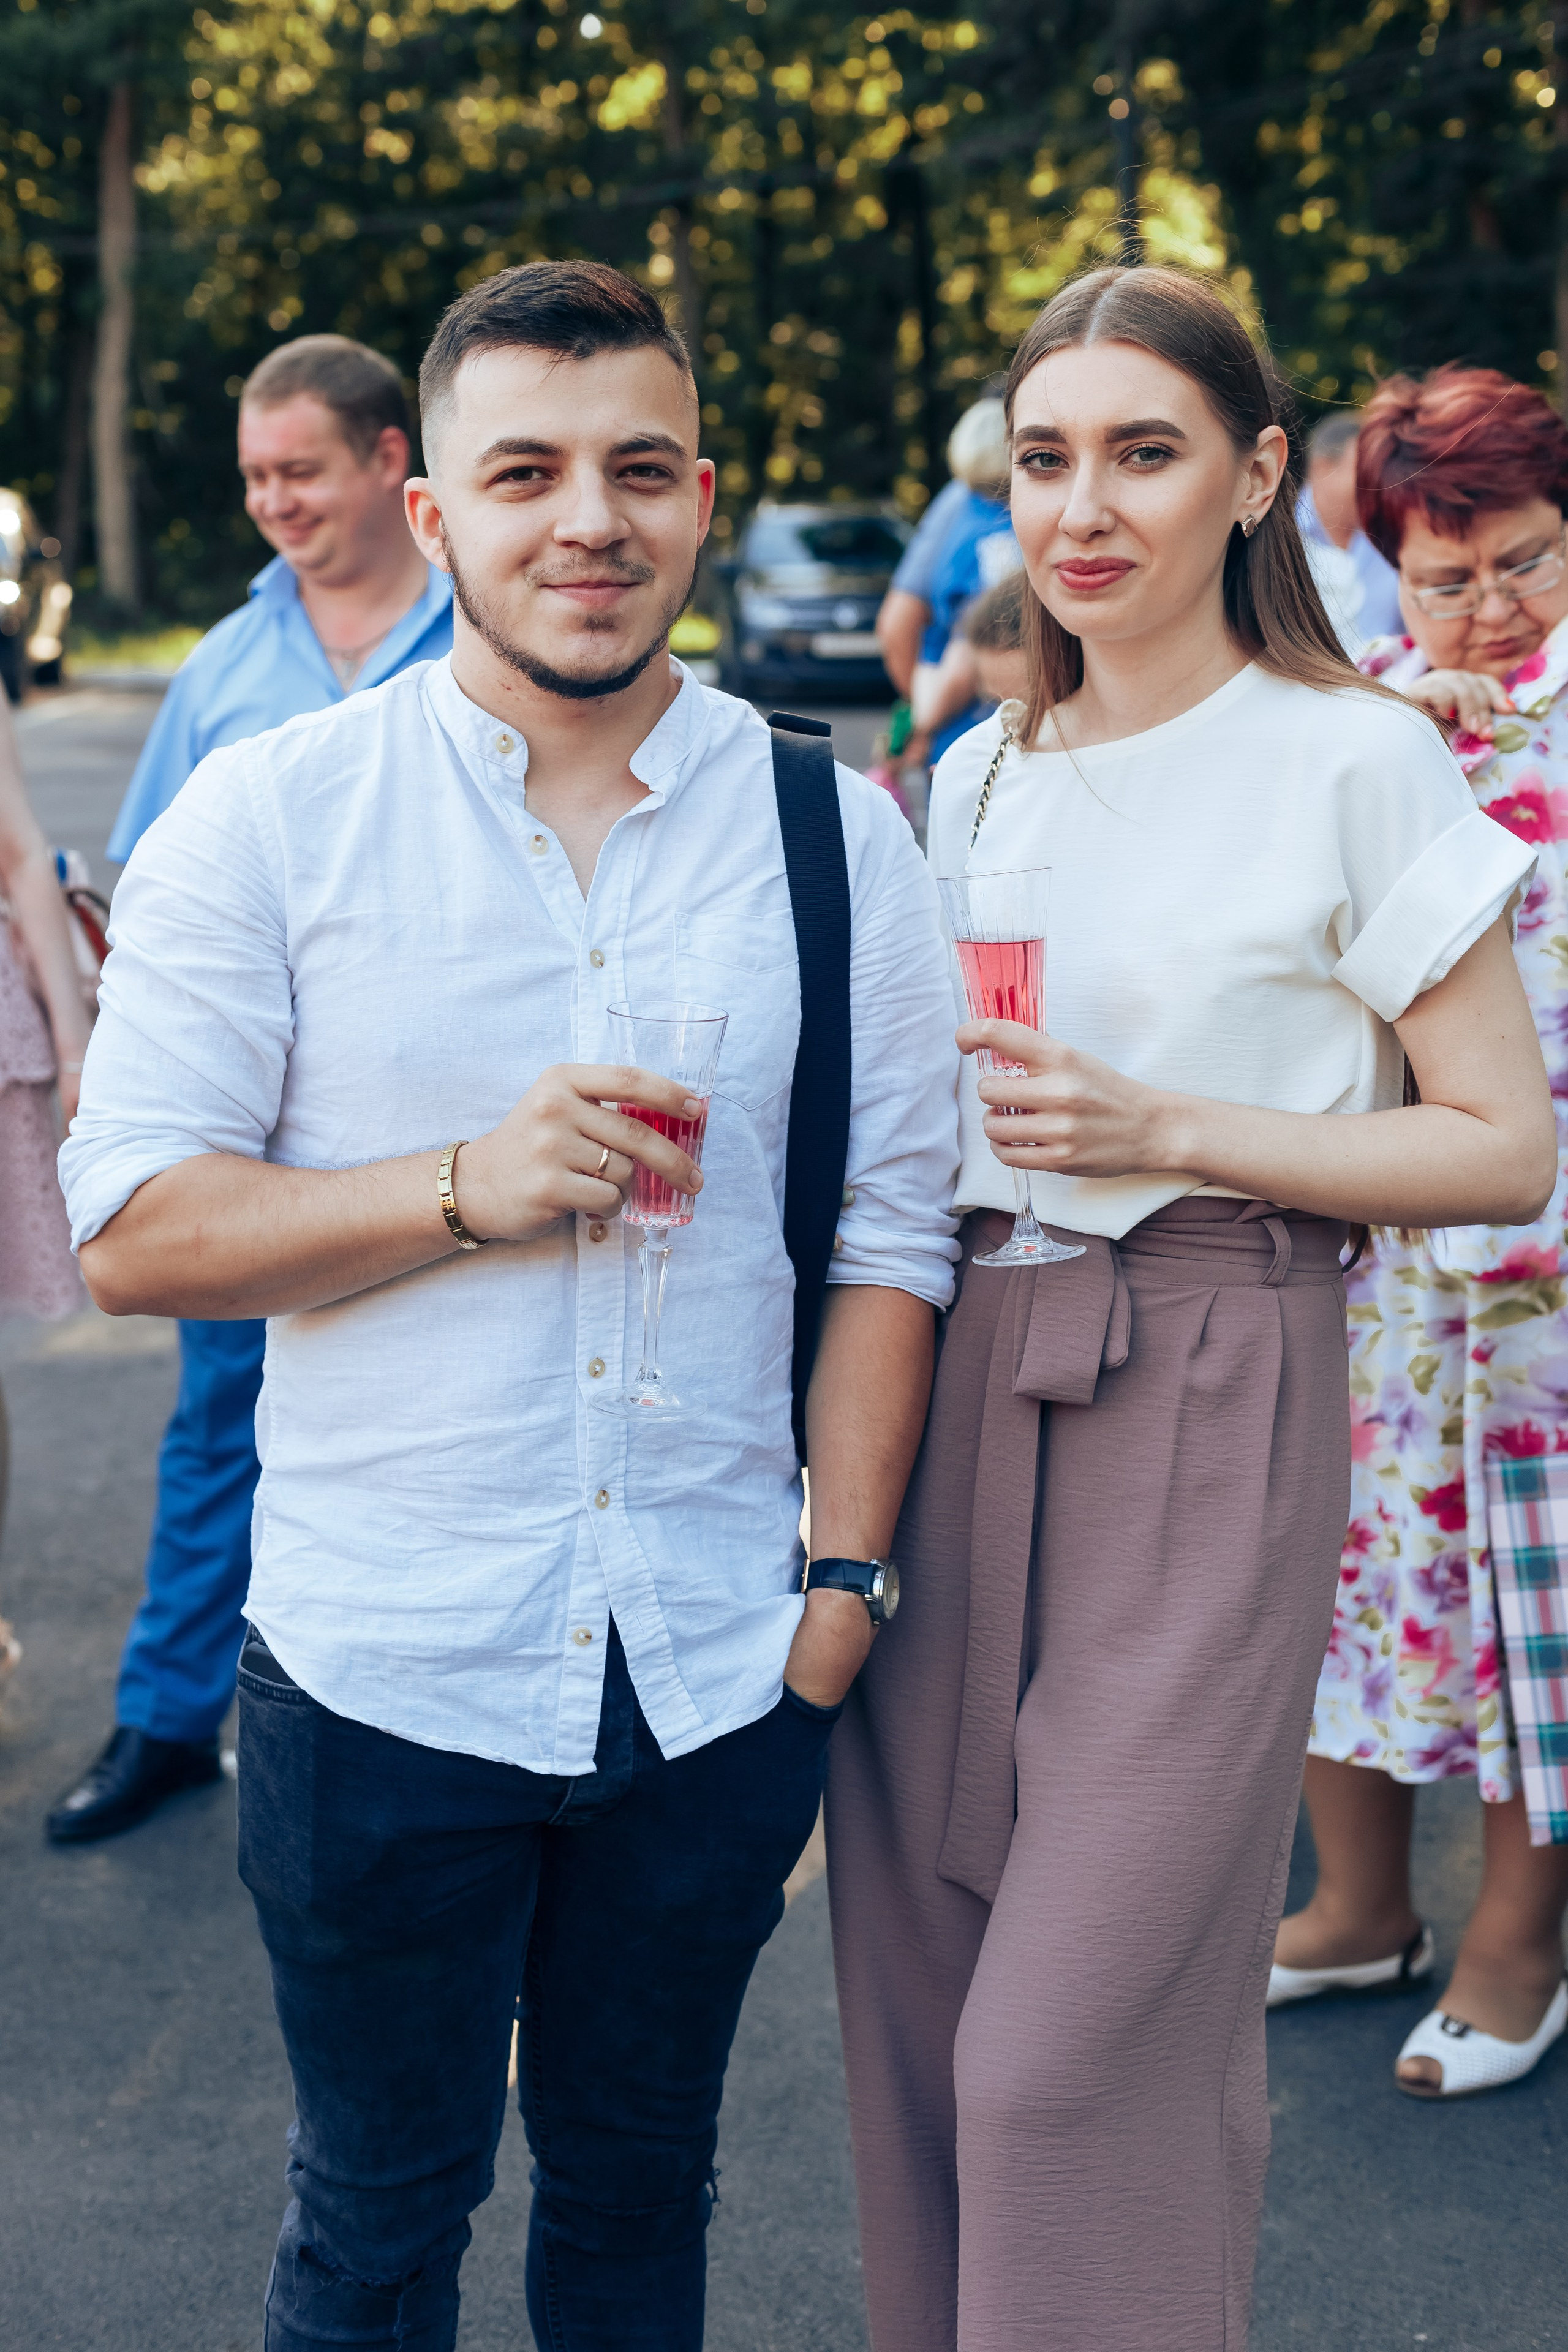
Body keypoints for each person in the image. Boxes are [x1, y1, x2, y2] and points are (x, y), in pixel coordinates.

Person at [60, 260, 960, 2352]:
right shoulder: (270, 821)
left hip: (716, 1679)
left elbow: (895, 1239)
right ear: (437, 506)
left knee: (645, 2204)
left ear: (704, 496)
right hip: (381, 1672)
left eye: (642, 469)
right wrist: (465, 1185)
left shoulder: (835, 834)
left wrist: (838, 1595)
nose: (592, 519)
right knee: (376, 2221)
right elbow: (135, 1229)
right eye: (528, 470)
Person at [824, 264, 1555, 2352]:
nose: (1085, 507)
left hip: (1217, 1370)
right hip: (964, 1381)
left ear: (1252, 478)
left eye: (1144, 454)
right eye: (1046, 458)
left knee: (1064, 2062)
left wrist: (1177, 1123)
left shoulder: (1355, 754)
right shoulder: (976, 771)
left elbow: (1500, 1145)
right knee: (927, 2023)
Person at [47, 335, 454, 1846]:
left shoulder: (490, 623)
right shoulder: (223, 665)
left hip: (458, 1115)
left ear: (385, 463)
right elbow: (142, 884)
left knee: (449, 1412)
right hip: (260, 1133)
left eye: (298, 470)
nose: (272, 502)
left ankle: (426, 1743)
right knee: (220, 1424)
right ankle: (165, 1719)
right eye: (253, 477)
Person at [1273, 366, 1568, 2098]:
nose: (1488, 607)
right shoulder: (1361, 719)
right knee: (1355, 1571)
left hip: (1554, 1260)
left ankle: (1516, 1943)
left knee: (1542, 1603)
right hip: (1383, 1243)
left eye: (1525, 562)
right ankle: (1358, 1907)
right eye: (1442, 575)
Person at [910, 400, 1023, 763]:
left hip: (959, 733)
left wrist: (919, 727)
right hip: (978, 730)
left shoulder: (961, 517)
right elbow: (973, 642)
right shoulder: (1005, 533)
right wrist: (924, 726)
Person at [1297, 410, 1403, 652]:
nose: (1378, 484)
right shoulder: (1273, 539)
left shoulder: (1393, 537)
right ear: (1323, 468)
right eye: (1364, 472)